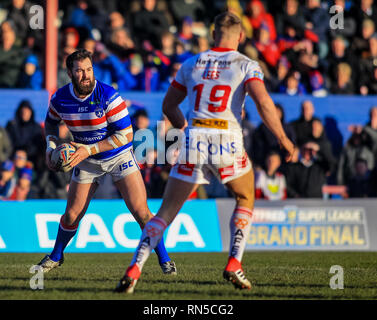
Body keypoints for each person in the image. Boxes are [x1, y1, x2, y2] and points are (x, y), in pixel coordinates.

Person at [115, 12, 295, 293]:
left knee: (164, 213)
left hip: (194, 138)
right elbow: (264, 102)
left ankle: (135, 267)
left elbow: (168, 106)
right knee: (246, 195)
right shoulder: (246, 65)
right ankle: (234, 262)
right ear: (241, 37)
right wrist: (283, 138)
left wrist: (184, 127)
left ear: (213, 35)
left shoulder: (191, 63)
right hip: (226, 137)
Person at [36, 49, 176, 275]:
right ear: (70, 73)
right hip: (86, 159)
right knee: (72, 215)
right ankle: (56, 256)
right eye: (80, 71)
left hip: (117, 155)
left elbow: (127, 135)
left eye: (89, 69)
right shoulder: (60, 98)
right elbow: (51, 122)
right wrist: (50, 145)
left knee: (141, 212)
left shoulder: (109, 95)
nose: (86, 75)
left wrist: (87, 150)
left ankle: (165, 260)